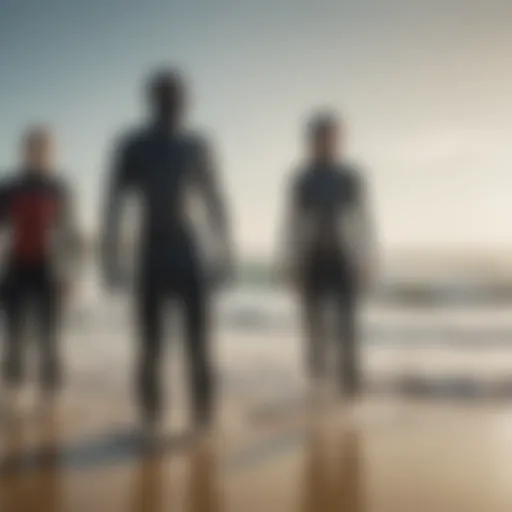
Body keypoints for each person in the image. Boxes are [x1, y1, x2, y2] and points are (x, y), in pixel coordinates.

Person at [102, 69, 232, 431]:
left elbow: (215, 200)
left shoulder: (197, 145)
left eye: (177, 96)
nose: (172, 103)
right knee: (150, 343)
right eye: (164, 96)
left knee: (199, 340)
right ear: (151, 100)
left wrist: (225, 251)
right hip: (151, 252)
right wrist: (110, 259)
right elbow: (113, 204)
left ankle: (203, 416)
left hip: (189, 251)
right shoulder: (132, 145)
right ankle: (151, 417)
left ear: (186, 102)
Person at [279, 112, 377, 397]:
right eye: (320, 136)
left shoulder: (349, 177)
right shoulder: (302, 178)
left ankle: (350, 393)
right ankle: (318, 390)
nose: (325, 142)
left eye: (331, 136)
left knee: (347, 330)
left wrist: (366, 258)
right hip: (312, 260)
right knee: (314, 330)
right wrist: (290, 262)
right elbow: (292, 223)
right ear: (311, 141)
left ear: (338, 139)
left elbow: (363, 220)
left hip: (343, 258)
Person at [0, 127, 79, 402]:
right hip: (16, 267)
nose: (37, 153)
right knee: (14, 333)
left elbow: (69, 234)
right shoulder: (9, 187)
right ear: (24, 151)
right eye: (32, 147)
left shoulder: (59, 188)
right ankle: (14, 388)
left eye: (43, 148)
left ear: (50, 153)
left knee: (50, 334)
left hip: (49, 269)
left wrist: (71, 275)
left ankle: (50, 392)